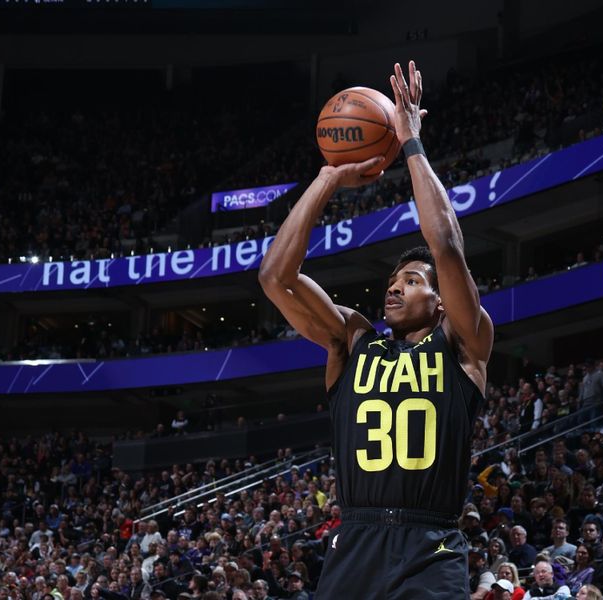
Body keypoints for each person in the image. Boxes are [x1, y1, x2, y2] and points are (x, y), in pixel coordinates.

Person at [259, 59, 494, 599]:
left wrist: (410, 144)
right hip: (356, 538)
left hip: (430, 542)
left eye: (411, 281)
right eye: (392, 280)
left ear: (439, 302)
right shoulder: (354, 340)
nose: (393, 288)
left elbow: (446, 246)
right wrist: (328, 178)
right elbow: (275, 277)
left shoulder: (463, 345)